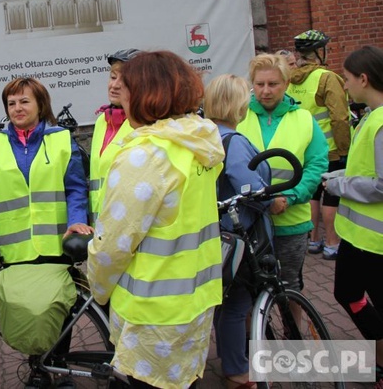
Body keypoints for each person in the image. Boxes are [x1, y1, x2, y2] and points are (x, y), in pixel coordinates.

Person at [87, 50, 224, 389]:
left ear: (147, 94)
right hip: (196, 300)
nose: (122, 95)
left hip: (151, 316)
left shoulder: (145, 155)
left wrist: (98, 289)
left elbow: (112, 248)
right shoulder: (198, 141)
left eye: (128, 87)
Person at [237, 53, 328, 299]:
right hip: (249, 221)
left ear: (286, 84)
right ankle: (253, 338)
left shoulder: (304, 119)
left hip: (290, 221)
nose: (265, 91)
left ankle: (292, 336)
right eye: (259, 84)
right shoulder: (238, 117)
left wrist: (292, 196)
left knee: (289, 288)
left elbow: (316, 164)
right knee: (248, 291)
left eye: (273, 84)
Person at [0, 77, 91, 267]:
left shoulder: (61, 140)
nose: (17, 108)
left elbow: (76, 190)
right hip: (13, 251)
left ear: (41, 105)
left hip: (57, 246)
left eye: (24, 101)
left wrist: (77, 221)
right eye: (11, 103)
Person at [204, 74, 272, 389]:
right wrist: (271, 198)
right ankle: (237, 372)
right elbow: (249, 186)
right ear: (236, 105)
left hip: (212, 235)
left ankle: (229, 363)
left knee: (223, 304)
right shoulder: (233, 140)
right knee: (236, 304)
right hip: (237, 237)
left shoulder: (204, 136)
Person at [324, 45, 383, 383]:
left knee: (354, 296)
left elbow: (381, 184)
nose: (344, 85)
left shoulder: (380, 120)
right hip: (358, 237)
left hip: (374, 242)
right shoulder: (372, 117)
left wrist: (340, 186)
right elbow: (365, 169)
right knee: (347, 294)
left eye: (346, 78)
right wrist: (338, 177)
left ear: (364, 78)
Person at [289, 30, 351, 260]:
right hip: (330, 149)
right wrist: (344, 148)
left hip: (303, 148)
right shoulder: (327, 78)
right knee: (331, 195)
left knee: (313, 194)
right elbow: (339, 117)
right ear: (317, 52)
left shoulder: (291, 80)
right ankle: (332, 243)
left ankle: (313, 239)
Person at [88, 48, 138, 226]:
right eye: (112, 76)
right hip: (101, 228)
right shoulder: (102, 120)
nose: (115, 85)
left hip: (129, 229)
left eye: (124, 80)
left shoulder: (144, 124)